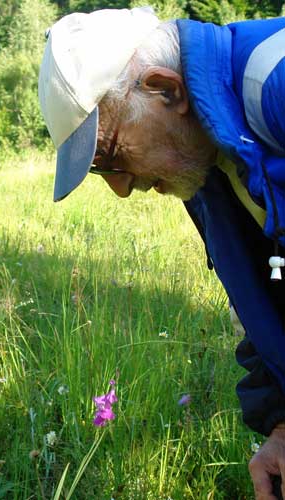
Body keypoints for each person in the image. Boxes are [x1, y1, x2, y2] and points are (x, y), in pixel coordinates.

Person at [38, 7, 285, 499]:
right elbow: (262, 307)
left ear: (165, 89)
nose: (122, 190)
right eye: (99, 172)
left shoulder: (275, 83)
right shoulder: (206, 168)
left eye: (109, 156)